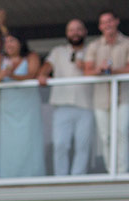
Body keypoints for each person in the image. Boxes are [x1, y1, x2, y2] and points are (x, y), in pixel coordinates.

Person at [83, 9, 129, 174]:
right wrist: (100, 70)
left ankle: (122, 171)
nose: (107, 25)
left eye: (110, 21)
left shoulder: (128, 43)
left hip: (123, 96)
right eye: (103, 22)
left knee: (121, 132)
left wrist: (113, 71)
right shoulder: (94, 46)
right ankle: (111, 170)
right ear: (100, 26)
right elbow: (87, 71)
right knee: (105, 136)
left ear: (116, 21)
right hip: (101, 98)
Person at [39, 20, 95, 176]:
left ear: (84, 32)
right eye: (71, 30)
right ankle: (61, 177)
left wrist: (84, 66)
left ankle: (78, 176)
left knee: (82, 145)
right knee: (60, 144)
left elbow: (97, 70)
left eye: (78, 29)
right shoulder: (58, 51)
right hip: (62, 104)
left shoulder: (92, 50)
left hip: (86, 105)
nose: (75, 33)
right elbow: (47, 65)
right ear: (67, 33)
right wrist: (43, 74)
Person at [0, 31, 45, 179]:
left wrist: (12, 75)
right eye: (6, 42)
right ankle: (6, 176)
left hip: (27, 107)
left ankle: (32, 175)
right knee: (8, 143)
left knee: (28, 140)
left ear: (20, 43)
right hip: (6, 108)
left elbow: (32, 74)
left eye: (12, 41)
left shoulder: (30, 56)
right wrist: (1, 75)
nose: (9, 44)